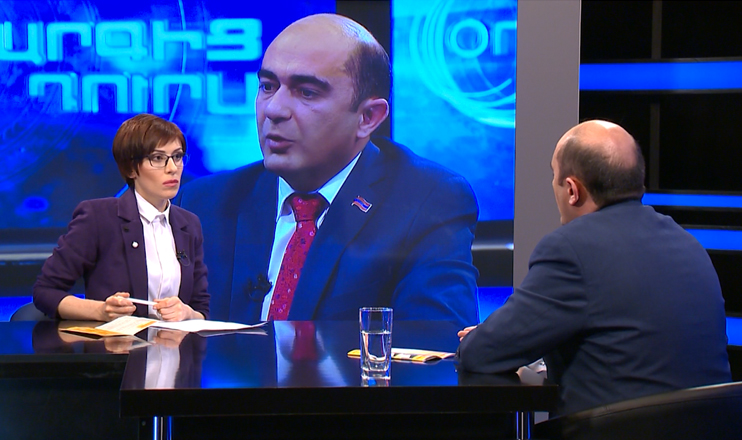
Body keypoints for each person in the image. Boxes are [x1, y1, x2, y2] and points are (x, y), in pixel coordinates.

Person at [177, 13, 479, 326]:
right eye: (267, 86)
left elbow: (434, 341)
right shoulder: (202, 204)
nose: (274, 109)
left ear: (368, 117)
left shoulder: (426, 202)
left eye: (306, 92)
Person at [456, 120, 731, 416]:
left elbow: (481, 354)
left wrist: (484, 336)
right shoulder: (687, 243)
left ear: (572, 190)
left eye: (554, 176)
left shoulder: (570, 249)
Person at [33, 114, 210, 322]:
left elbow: (201, 309)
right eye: (158, 158)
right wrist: (100, 311)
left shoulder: (189, 224)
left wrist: (187, 313)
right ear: (131, 168)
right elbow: (46, 291)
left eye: (177, 157)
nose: (172, 168)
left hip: (176, 343)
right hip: (115, 342)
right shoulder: (98, 218)